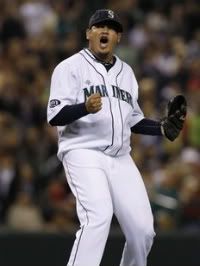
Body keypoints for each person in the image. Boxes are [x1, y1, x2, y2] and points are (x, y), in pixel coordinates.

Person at [47, 9, 186, 266]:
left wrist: (161, 129)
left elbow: (132, 120)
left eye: (111, 28)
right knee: (98, 216)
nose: (105, 31)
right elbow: (55, 115)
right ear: (88, 33)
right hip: (83, 151)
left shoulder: (127, 73)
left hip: (121, 158)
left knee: (143, 231)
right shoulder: (69, 67)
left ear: (118, 37)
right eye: (99, 26)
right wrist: (83, 108)